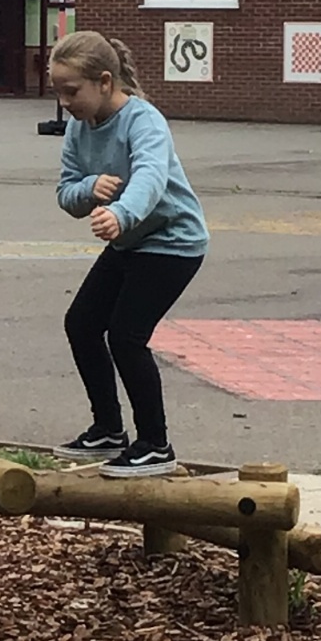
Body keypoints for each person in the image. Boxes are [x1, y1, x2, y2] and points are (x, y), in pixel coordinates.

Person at [50, 30, 208, 478]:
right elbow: (66, 191)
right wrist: (89, 188)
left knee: (126, 336)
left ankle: (156, 444)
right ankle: (108, 430)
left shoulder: (144, 121)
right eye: (58, 91)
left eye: (71, 91)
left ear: (104, 82)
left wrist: (120, 213)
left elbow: (150, 177)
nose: (64, 102)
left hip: (173, 242)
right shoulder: (79, 128)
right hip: (130, 243)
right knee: (82, 324)